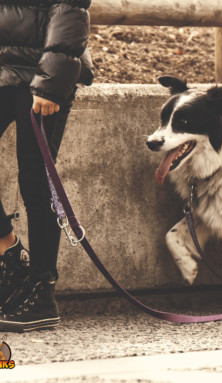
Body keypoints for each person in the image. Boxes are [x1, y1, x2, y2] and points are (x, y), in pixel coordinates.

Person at [0, 0, 93, 332]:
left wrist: (52, 83)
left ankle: (42, 291)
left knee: (36, 182)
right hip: (3, 68)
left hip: (41, 75)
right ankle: (8, 253)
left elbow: (70, 10)